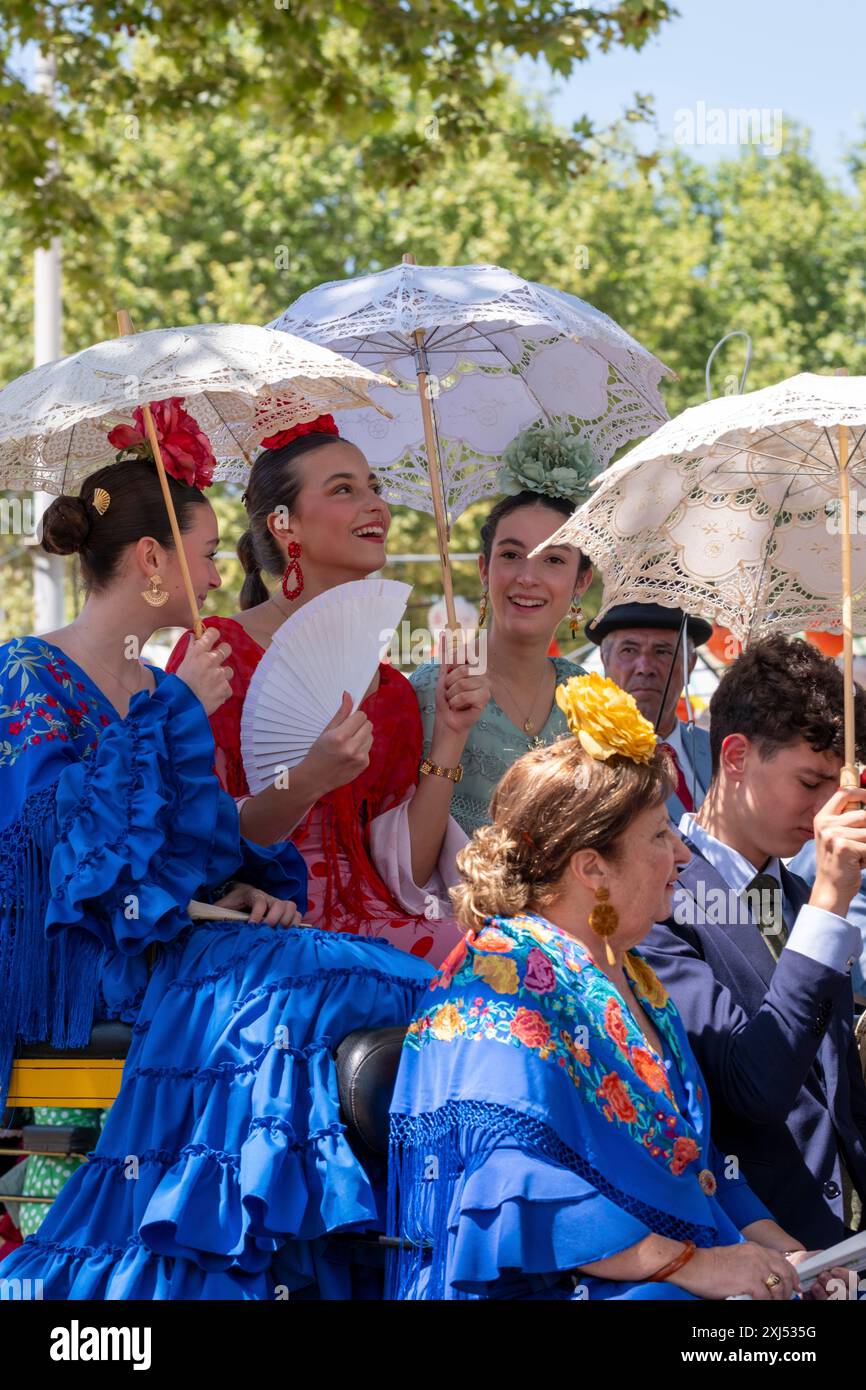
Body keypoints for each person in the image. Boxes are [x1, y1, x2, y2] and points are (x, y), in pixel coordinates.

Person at [0, 436, 434, 1299]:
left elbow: (188, 838)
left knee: (381, 980)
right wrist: (172, 711)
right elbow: (51, 849)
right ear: (153, 559)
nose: (216, 574)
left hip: (174, 946)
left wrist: (234, 884)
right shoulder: (28, 673)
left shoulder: (161, 681)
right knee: (337, 981)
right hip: (83, 969)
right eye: (203, 555)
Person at [387, 673, 830, 1301]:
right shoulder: (496, 979)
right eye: (658, 835)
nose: (680, 853)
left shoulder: (634, 977)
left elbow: (698, 1172)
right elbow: (516, 1192)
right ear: (591, 867)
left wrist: (787, 1256)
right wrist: (692, 1267)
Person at [167, 415, 488, 965]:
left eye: (375, 489)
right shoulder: (218, 651)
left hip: (381, 915)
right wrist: (309, 779)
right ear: (284, 525)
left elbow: (407, 872)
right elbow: (195, 826)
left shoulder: (391, 690)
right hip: (265, 914)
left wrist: (452, 737)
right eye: (344, 489)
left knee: (505, 969)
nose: (377, 507)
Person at [640, 635, 866, 1249]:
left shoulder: (799, 895)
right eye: (810, 782)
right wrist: (829, 904)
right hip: (754, 1251)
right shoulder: (658, 900)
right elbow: (752, 1090)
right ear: (735, 755)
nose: (828, 811)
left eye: (841, 788)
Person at [412, 423, 595, 835]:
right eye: (511, 554)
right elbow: (410, 869)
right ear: (484, 569)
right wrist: (450, 737)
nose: (527, 577)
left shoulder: (589, 700)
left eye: (553, 560)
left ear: (581, 581)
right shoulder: (431, 692)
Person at [589, 601, 713, 821]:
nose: (645, 667)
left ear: (690, 664)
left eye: (662, 652)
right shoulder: (584, 763)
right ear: (604, 660)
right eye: (629, 650)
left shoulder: (720, 753)